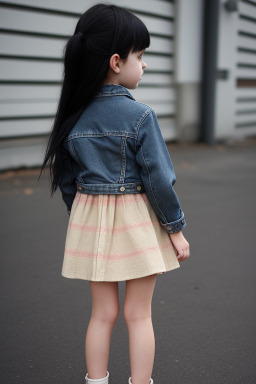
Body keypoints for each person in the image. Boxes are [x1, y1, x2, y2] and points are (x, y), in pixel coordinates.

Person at [39, 3, 190, 384]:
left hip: (91, 224)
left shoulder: (74, 116)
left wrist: (84, 217)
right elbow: (158, 179)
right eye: (141, 56)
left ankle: (96, 381)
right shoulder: (140, 117)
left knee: (101, 314)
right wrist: (175, 228)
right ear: (117, 61)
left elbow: (70, 183)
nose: (145, 65)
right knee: (138, 314)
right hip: (136, 223)